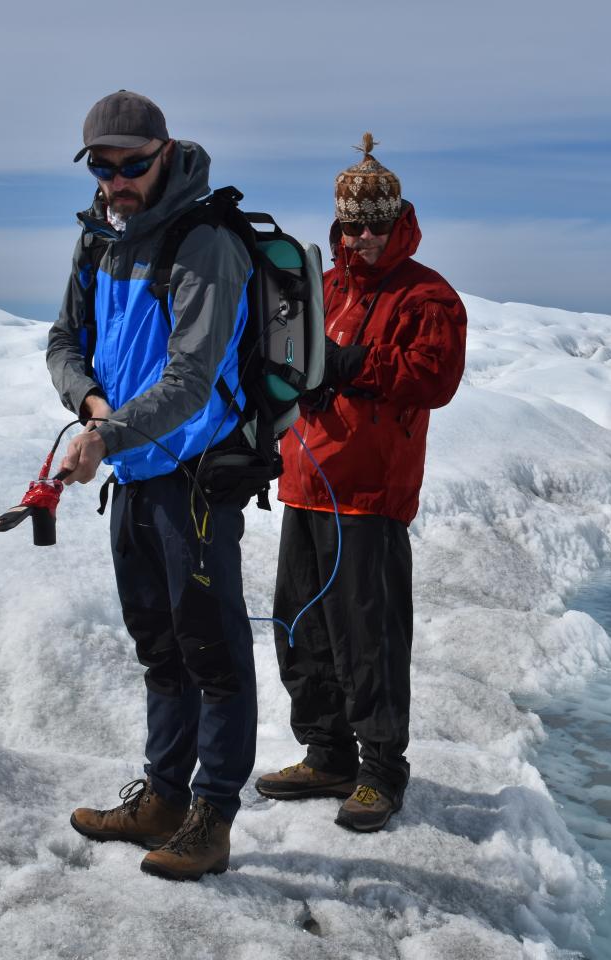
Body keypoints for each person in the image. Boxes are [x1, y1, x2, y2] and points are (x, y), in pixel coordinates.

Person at [45, 90, 257, 881]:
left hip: (193, 478)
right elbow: (65, 341)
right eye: (104, 166)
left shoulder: (205, 243)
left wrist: (105, 434)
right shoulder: (100, 240)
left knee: (213, 652)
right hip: (131, 471)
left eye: (134, 164)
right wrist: (89, 403)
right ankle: (165, 797)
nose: (119, 180)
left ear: (165, 152)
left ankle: (213, 816)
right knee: (159, 647)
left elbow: (193, 379)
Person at [255, 133, 467, 832]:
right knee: (302, 626)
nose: (367, 237)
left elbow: (434, 378)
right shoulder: (321, 284)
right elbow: (292, 352)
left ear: (398, 216)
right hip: (306, 478)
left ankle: (381, 770)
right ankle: (327, 753)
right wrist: (299, 386)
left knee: (367, 636)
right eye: (354, 224)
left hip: (370, 494)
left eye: (379, 223)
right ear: (340, 224)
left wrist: (351, 368)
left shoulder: (427, 294)